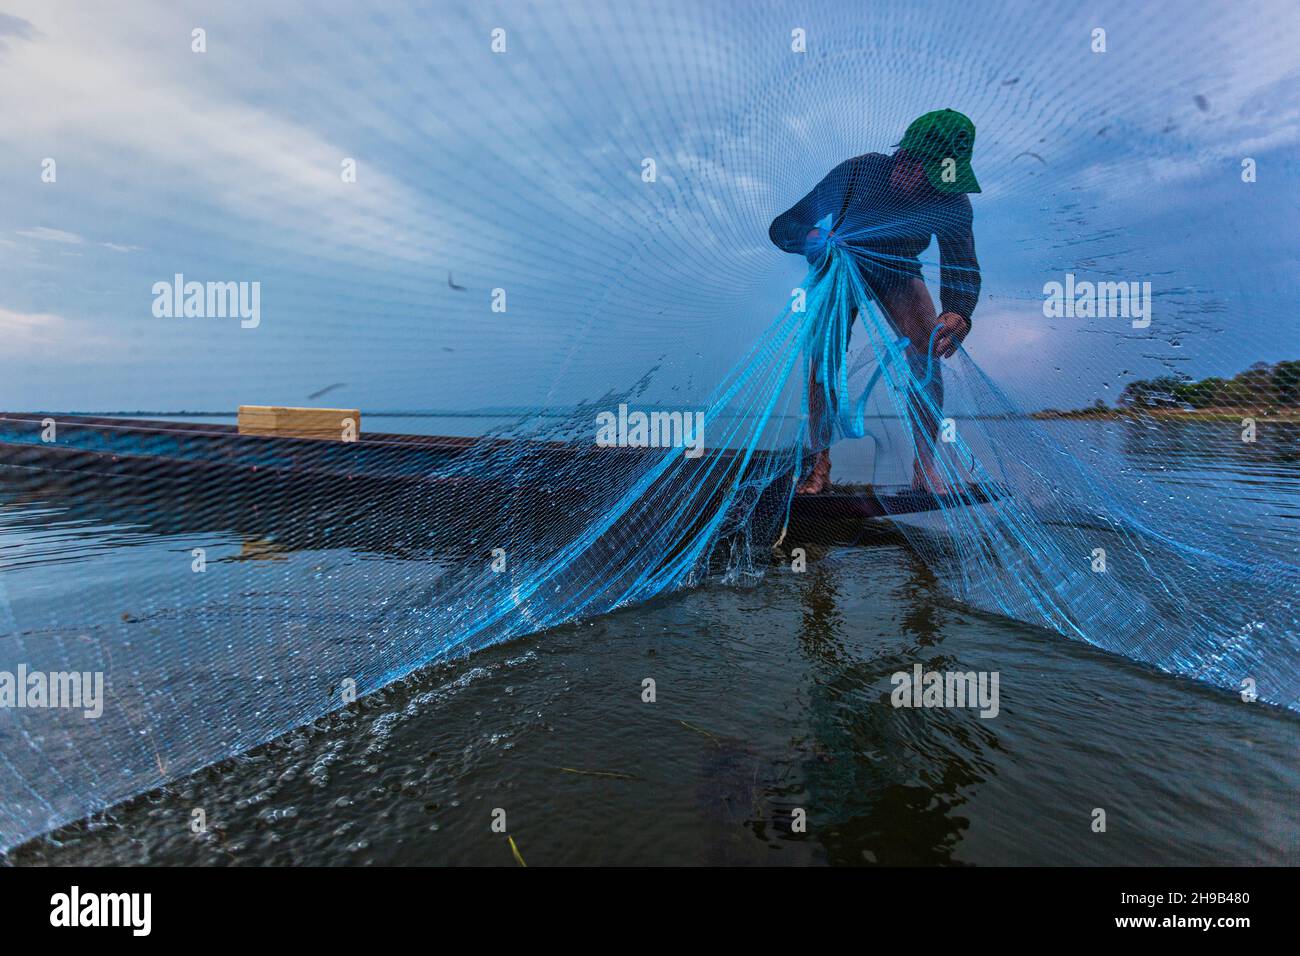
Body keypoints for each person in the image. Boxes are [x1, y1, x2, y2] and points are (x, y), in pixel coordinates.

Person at [769, 109, 982, 494]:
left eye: (943, 176)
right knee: (824, 358)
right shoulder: (858, 173)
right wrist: (810, 237)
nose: (937, 186)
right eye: (927, 173)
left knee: (928, 346)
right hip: (842, 266)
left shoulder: (951, 199)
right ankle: (819, 464)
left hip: (898, 273)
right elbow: (784, 226)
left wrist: (959, 312)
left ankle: (925, 469)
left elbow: (962, 264)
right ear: (903, 159)